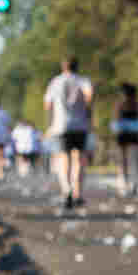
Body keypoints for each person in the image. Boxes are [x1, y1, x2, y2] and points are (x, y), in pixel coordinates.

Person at [43, 56, 94, 210]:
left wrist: (50, 123)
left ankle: (67, 191)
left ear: (63, 67)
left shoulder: (55, 82)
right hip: (81, 125)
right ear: (77, 67)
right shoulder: (83, 80)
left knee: (63, 158)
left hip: (60, 125)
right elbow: (90, 96)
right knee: (79, 159)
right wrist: (87, 112)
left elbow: (47, 105)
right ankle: (77, 192)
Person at [110, 82, 138, 198]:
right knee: (133, 161)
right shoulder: (137, 105)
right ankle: (133, 185)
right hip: (134, 136)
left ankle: (126, 186)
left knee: (123, 162)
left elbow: (115, 121)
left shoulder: (120, 105)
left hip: (124, 135)